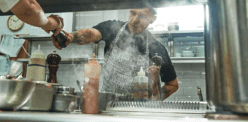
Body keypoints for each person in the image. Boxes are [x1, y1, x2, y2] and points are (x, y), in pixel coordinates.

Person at [51, 8, 179, 100]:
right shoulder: (113, 28)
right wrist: (71, 37)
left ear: (152, 19)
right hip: (107, 107)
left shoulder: (157, 48)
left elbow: (172, 85)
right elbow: (90, 34)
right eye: (132, 13)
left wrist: (154, 101)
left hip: (138, 112)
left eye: (142, 16)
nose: (134, 20)